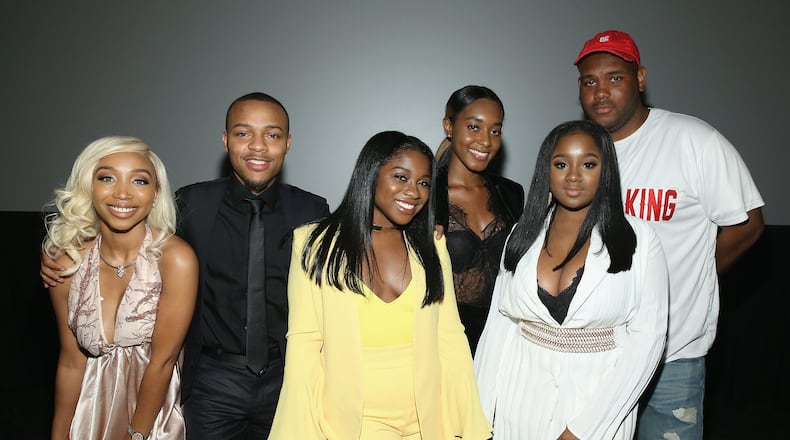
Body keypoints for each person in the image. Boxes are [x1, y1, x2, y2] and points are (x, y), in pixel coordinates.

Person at [42, 93, 330, 439]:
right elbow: (130, 230)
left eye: (272, 135)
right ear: (225, 141)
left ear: (287, 143)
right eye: (243, 134)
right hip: (210, 381)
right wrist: (64, 248)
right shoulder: (191, 204)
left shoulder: (312, 211)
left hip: (286, 380)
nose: (258, 147)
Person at [573, 30, 765, 439]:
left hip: (671, 358)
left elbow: (747, 223)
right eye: (589, 81)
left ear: (640, 78)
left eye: (614, 78)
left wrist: (691, 281)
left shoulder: (693, 140)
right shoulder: (579, 153)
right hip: (596, 353)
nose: (600, 92)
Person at [269, 131, 492, 439]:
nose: (413, 192)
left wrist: (469, 424)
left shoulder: (432, 245)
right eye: (400, 177)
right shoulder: (313, 244)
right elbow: (304, 347)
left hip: (426, 420)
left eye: (424, 183)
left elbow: (451, 338)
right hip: (355, 423)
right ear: (371, 174)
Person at [474, 120, 669, 439]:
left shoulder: (641, 240)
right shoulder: (520, 236)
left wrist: (585, 428)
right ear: (546, 170)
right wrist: (478, 415)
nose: (574, 175)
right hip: (518, 400)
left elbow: (648, 339)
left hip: (598, 404)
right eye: (561, 163)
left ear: (605, 170)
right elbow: (499, 326)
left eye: (589, 164)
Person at [44, 136, 198, 440]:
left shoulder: (175, 259)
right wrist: (59, 434)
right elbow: (71, 363)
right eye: (107, 178)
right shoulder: (67, 265)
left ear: (155, 194)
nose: (123, 193)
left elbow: (162, 362)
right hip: (89, 416)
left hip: (152, 417)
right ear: (90, 187)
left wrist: (134, 434)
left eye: (139, 180)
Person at [434, 85, 524, 354]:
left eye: (495, 131)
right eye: (474, 127)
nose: (486, 141)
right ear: (449, 126)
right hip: (443, 344)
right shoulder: (425, 194)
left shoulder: (511, 193)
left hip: (501, 342)